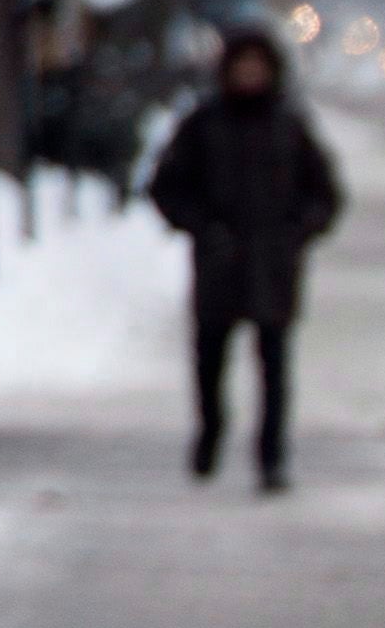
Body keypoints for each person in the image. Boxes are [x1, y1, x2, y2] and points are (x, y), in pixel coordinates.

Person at [145, 28, 346, 493]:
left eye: (258, 67)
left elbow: (325, 193)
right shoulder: (204, 124)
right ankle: (211, 432)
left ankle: (272, 457)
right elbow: (167, 186)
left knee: (274, 368)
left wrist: (297, 231)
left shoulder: (289, 125)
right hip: (218, 264)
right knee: (210, 361)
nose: (250, 75)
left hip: (273, 268)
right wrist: (200, 226)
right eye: (242, 67)